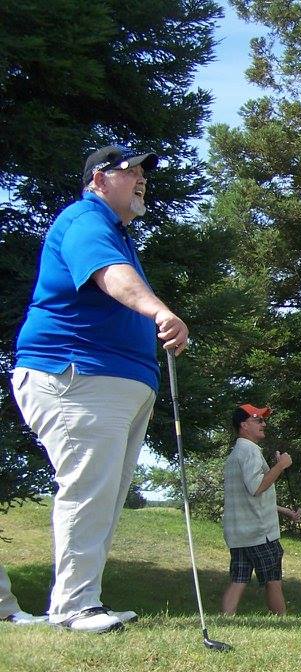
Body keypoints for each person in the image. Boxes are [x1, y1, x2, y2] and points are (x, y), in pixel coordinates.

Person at [11, 145, 189, 634]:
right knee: (90, 490)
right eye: (129, 170)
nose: (140, 178)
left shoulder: (117, 233)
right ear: (98, 180)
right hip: (76, 374)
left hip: (110, 381)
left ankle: (81, 599)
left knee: (105, 495)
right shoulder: (86, 221)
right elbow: (109, 276)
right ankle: (73, 607)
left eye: (143, 173)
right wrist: (159, 312)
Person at [221, 404, 301, 616]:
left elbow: (249, 498)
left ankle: (225, 620)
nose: (264, 424)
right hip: (260, 535)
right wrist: (281, 465)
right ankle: (282, 622)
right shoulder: (249, 452)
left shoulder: (236, 454)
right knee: (273, 581)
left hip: (240, 535)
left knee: (239, 580)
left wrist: (286, 512)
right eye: (258, 420)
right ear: (244, 425)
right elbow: (257, 488)